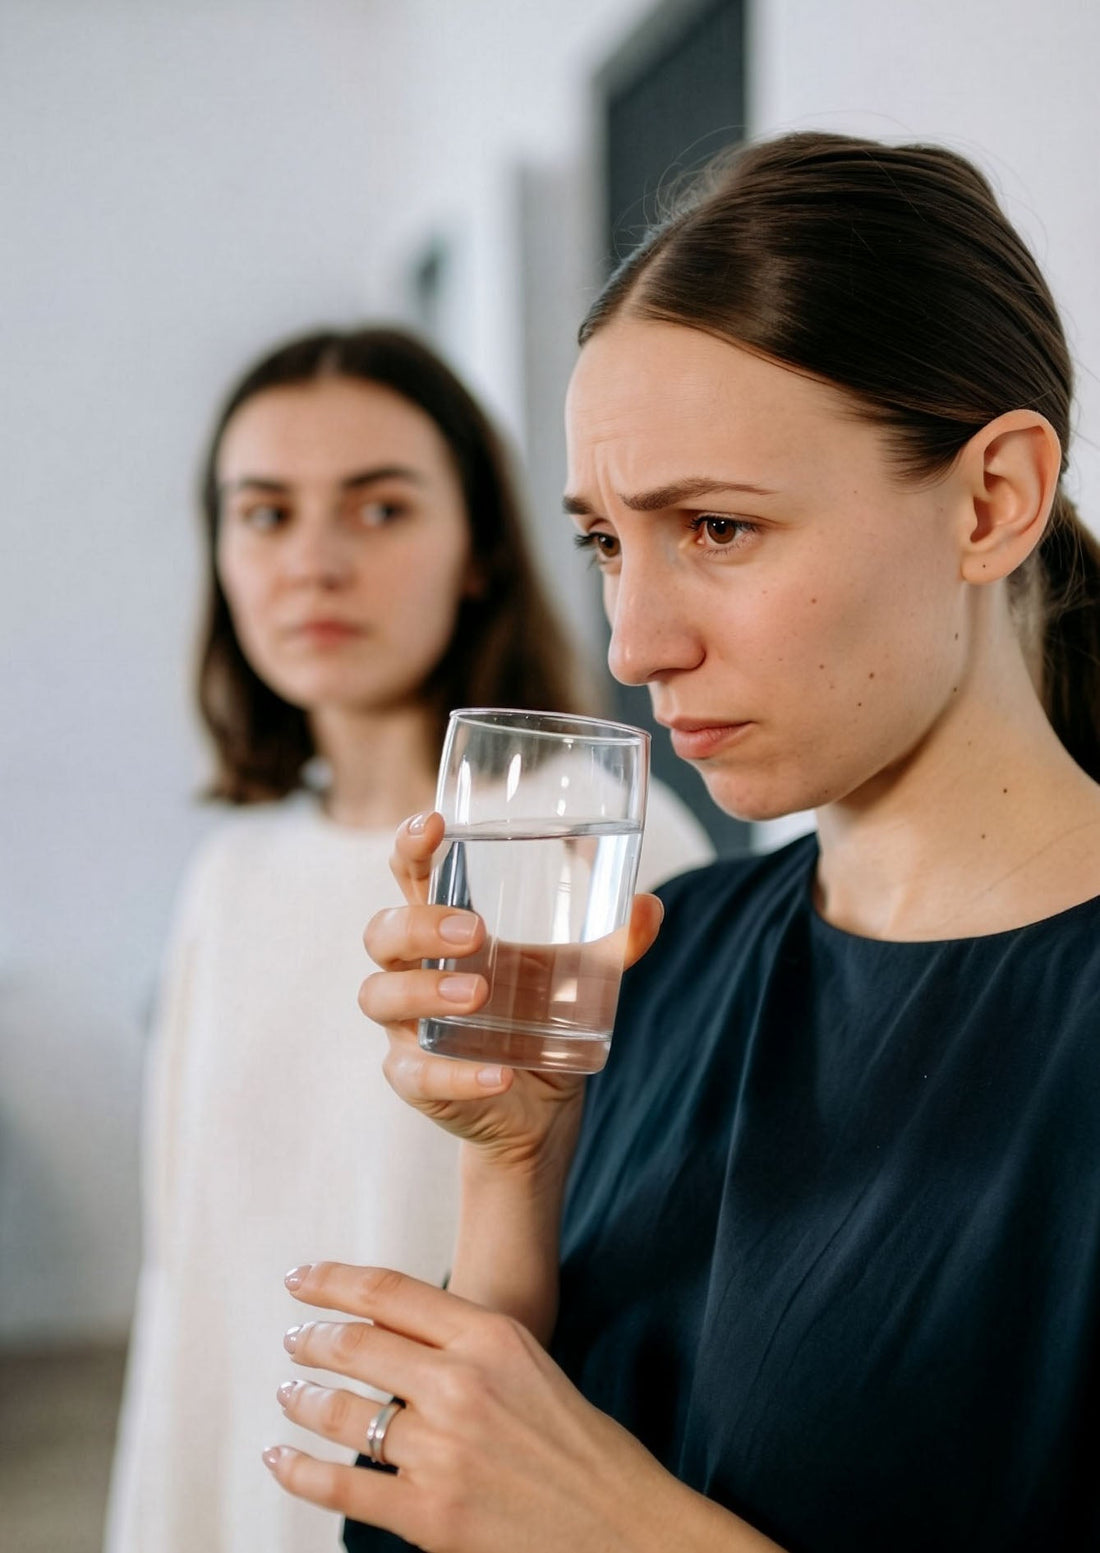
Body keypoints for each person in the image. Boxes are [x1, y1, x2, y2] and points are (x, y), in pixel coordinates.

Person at [261, 133, 1100, 1553]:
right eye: (605, 543)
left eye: (716, 527)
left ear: (992, 499)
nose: (634, 644)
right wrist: (515, 1172)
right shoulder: (670, 956)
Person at [104, 326, 713, 1553]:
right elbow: (192, 1282)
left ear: (478, 548)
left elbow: (654, 1286)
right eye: (264, 514)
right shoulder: (232, 874)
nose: (315, 562)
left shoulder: (607, 852)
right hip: (236, 1475)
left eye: (379, 509)